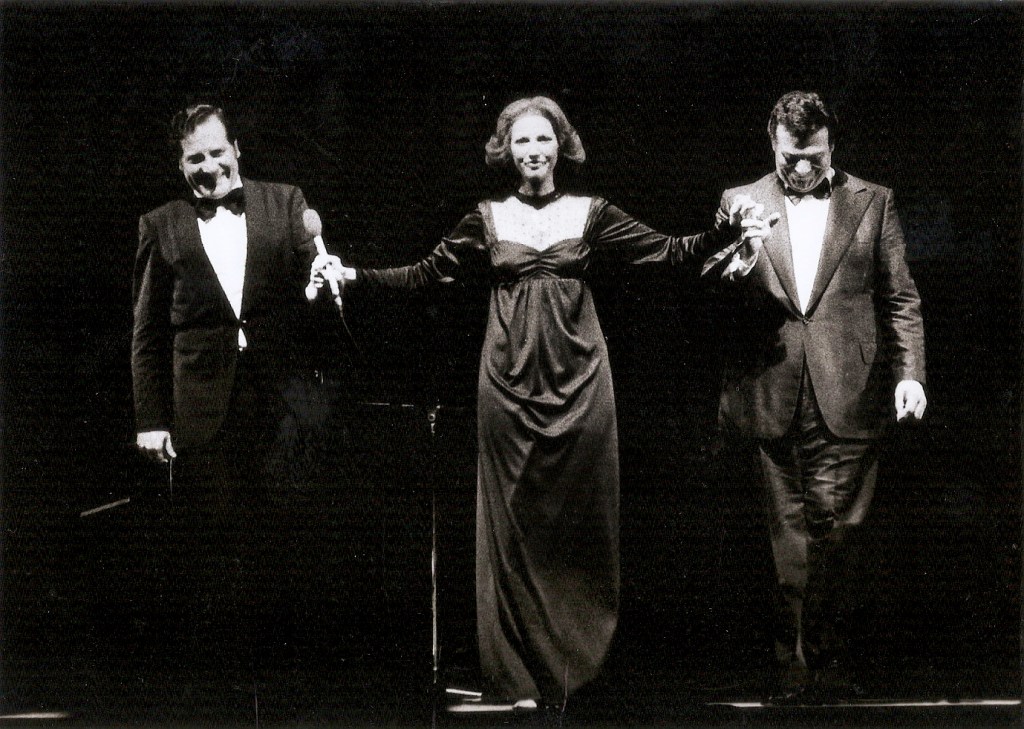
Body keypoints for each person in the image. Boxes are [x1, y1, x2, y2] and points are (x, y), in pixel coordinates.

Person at [311, 96, 773, 707]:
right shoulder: (486, 217)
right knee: (511, 525)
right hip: (505, 383)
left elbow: (669, 251)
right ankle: (517, 676)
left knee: (580, 520)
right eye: (522, 141)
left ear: (561, 147)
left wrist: (728, 230)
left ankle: (574, 668)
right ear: (507, 151)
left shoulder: (592, 212)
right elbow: (424, 273)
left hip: (582, 380)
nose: (533, 151)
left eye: (543, 139)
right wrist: (351, 276)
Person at [703, 91, 927, 702]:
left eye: (815, 157)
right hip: (769, 389)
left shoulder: (873, 201)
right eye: (791, 158)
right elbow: (709, 298)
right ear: (772, 143)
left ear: (832, 145)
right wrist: (741, 258)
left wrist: (910, 374)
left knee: (838, 532)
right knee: (785, 536)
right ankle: (792, 670)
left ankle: (827, 663)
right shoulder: (738, 201)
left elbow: (899, 296)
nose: (803, 169)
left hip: (849, 390)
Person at [131, 103, 319, 672]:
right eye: (195, 158)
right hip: (203, 406)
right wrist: (151, 419)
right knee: (214, 541)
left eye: (217, 152)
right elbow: (146, 332)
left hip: (280, 400)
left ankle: (287, 674)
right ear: (180, 164)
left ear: (236, 149)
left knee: (285, 533)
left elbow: (314, 280)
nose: (209, 166)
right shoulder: (160, 223)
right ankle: (223, 678)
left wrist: (320, 279)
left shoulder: (285, 201)